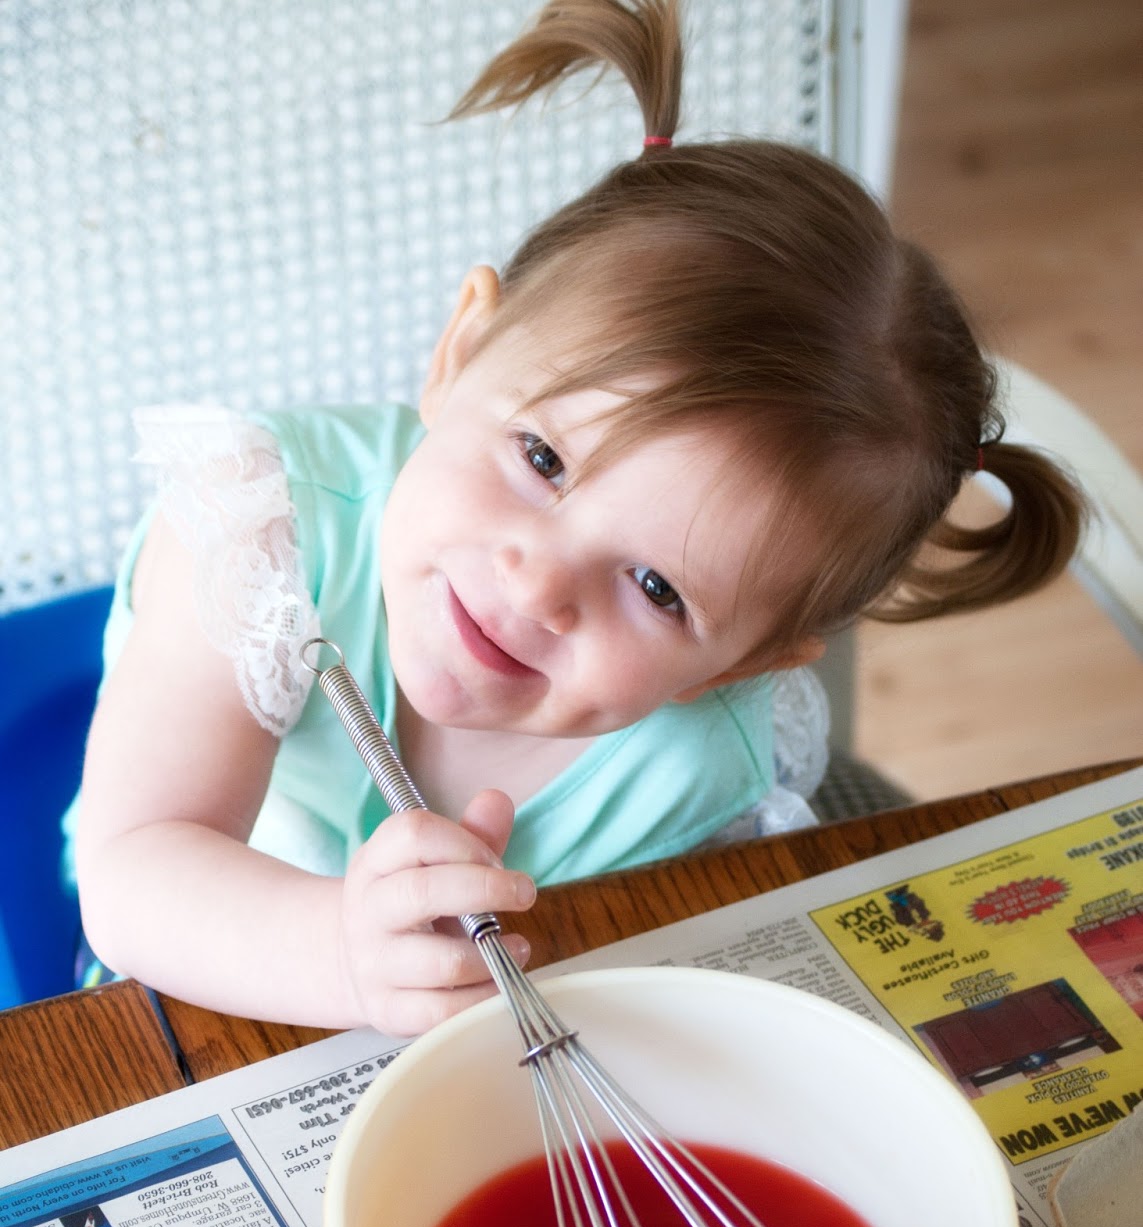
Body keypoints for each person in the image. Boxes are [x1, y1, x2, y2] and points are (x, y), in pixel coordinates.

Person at [72, 0, 1083, 1038]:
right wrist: (340, 951)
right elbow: (134, 865)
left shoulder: (710, 765)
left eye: (656, 587)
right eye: (543, 458)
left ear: (745, 664)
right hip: (196, 973)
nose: (541, 585)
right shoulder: (263, 536)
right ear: (460, 352)